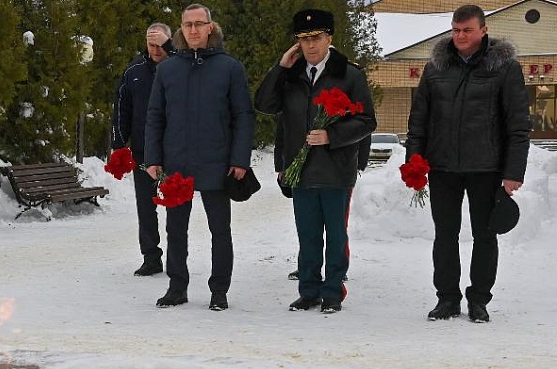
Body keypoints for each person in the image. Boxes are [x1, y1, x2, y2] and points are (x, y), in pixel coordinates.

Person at [405, 4, 530, 323]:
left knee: (485, 236)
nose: (460, 36)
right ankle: (447, 298)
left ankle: (479, 300)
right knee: (444, 234)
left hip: (486, 168)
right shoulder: (435, 67)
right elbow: (419, 119)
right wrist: (414, 163)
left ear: (483, 31)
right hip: (442, 166)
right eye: (456, 30)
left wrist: (513, 172)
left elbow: (518, 125)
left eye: (467, 30)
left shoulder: (504, 67)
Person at [255, 8, 376, 314]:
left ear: (329, 38)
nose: (310, 45)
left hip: (336, 170)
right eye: (304, 39)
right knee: (307, 236)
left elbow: (366, 121)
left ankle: (333, 291)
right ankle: (308, 291)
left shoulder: (349, 74)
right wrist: (281, 68)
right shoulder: (291, 75)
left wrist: (332, 136)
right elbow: (265, 105)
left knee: (335, 236)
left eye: (316, 38)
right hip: (302, 172)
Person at [144, 3, 255, 311]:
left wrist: (239, 159)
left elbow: (242, 116)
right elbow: (155, 116)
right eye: (187, 24)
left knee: (220, 230)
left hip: (217, 163)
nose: (193, 30)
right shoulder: (167, 69)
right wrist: (153, 157)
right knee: (175, 230)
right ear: (181, 29)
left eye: (199, 24)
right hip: (176, 164)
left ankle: (219, 290)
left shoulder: (230, 68)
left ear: (210, 27)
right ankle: (176, 287)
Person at [111, 23, 175, 277]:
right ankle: (151, 256)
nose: (157, 50)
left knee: (175, 205)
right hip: (142, 150)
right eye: (152, 45)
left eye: (161, 44)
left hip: (173, 149)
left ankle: (176, 256)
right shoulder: (134, 71)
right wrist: (118, 145)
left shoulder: (179, 68)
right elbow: (120, 109)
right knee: (145, 206)